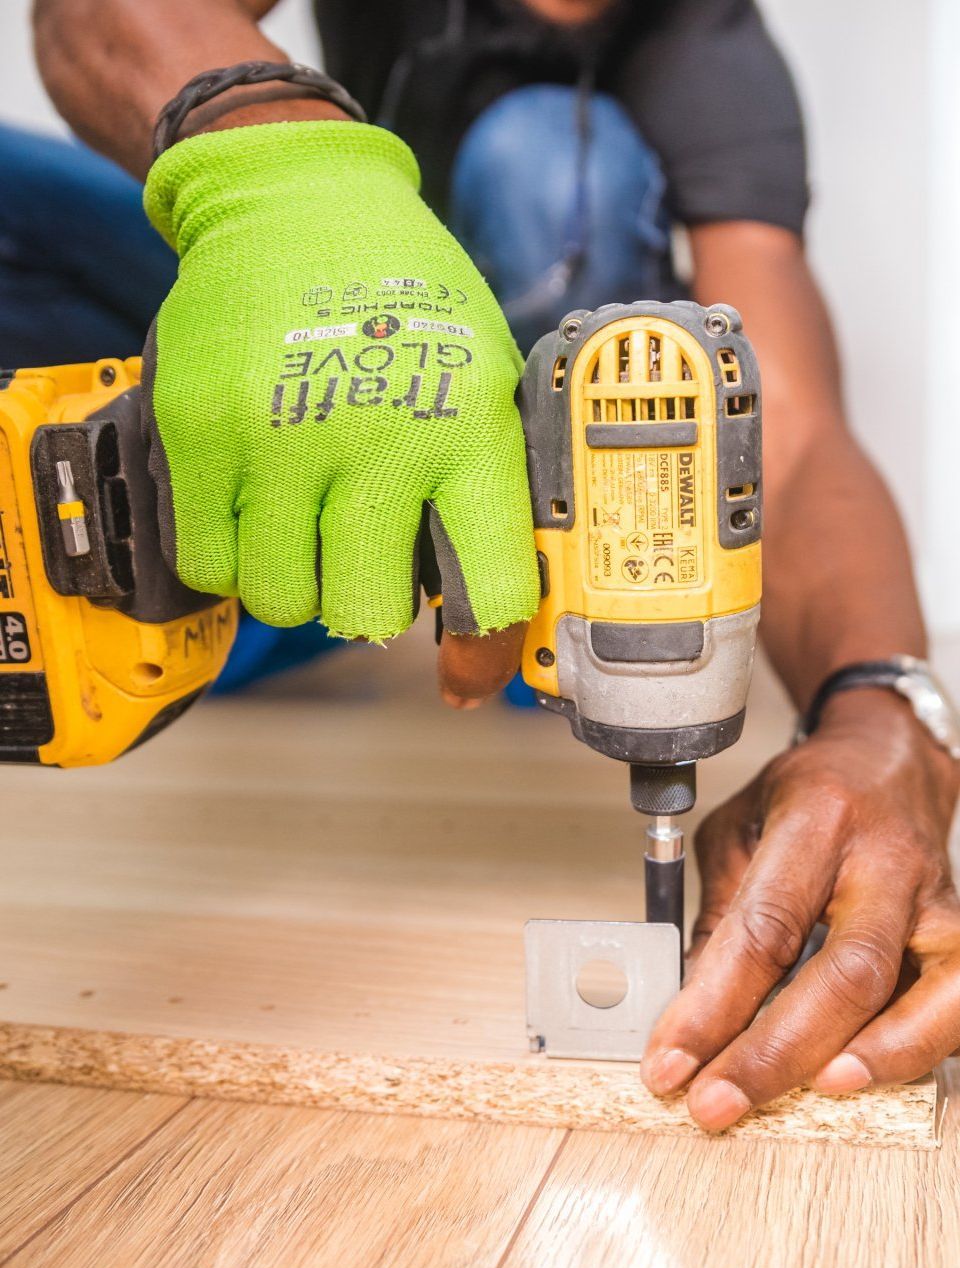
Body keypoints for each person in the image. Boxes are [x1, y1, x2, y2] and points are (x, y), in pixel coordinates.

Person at [15, 0, 960, 1130]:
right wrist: (286, 169)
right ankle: (224, 537)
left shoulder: (710, 46)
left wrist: (883, 709)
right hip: (301, 325)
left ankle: (421, 597)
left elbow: (787, 432)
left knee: (548, 163)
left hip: (481, 512)